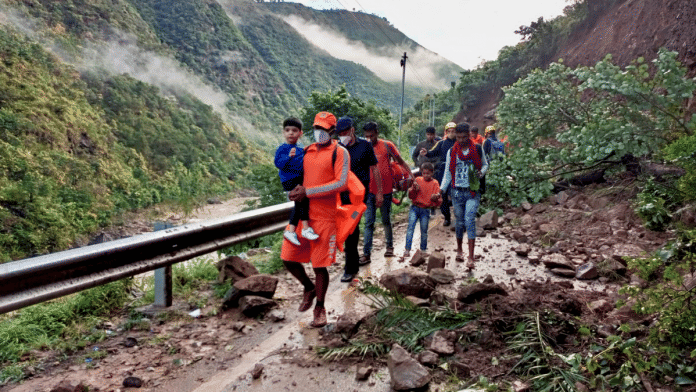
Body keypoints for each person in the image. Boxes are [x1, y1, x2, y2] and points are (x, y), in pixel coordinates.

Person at [280, 111, 350, 328]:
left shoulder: (340, 153)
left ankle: (320, 307)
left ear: (332, 130)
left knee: (320, 266)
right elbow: (297, 175)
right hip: (303, 215)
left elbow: (341, 184)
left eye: (323, 129)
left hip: (325, 218)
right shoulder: (307, 151)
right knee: (288, 258)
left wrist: (308, 192)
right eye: (316, 128)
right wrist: (294, 190)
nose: (318, 132)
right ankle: (308, 287)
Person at [335, 116, 381, 283]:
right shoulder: (337, 148)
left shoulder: (365, 146)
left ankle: (349, 269)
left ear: (352, 130)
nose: (342, 135)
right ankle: (352, 265)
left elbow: (374, 169)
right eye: (339, 133)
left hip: (361, 196)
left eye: (345, 132)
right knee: (348, 230)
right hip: (342, 196)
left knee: (351, 230)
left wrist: (379, 192)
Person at [361, 121, 413, 262]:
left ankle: (389, 247)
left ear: (377, 133)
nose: (369, 139)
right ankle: (366, 254)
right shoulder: (363, 147)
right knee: (369, 223)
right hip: (369, 191)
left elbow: (400, 161)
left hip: (386, 190)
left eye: (371, 136)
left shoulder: (387, 146)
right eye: (366, 136)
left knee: (385, 220)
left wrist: (411, 174)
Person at [439, 122, 488, 269]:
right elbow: (448, 173)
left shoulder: (478, 149)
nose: (461, 140)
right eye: (458, 137)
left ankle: (471, 257)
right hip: (456, 192)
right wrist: (441, 190)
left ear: (469, 135)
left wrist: (481, 173)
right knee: (459, 222)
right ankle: (460, 250)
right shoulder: (451, 152)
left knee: (469, 220)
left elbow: (485, 164)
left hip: (473, 191)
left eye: (464, 137)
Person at [274, 117, 319, 246]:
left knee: (301, 203)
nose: (290, 133)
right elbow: (278, 164)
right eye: (287, 130)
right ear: (283, 132)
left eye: (294, 130)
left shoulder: (301, 148)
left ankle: (295, 230)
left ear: (300, 133)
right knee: (302, 201)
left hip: (300, 179)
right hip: (289, 180)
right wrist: (289, 157)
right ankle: (303, 229)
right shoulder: (282, 148)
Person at [419, 121, 457, 226]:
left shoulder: (459, 143)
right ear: (446, 132)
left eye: (453, 131)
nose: (451, 133)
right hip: (443, 171)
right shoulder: (441, 143)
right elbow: (432, 152)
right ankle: (447, 218)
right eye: (449, 131)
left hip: (456, 171)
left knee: (455, 193)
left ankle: (458, 216)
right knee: (443, 194)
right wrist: (426, 153)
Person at [401, 162, 442, 259]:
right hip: (414, 207)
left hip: (425, 209)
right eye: (424, 173)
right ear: (421, 173)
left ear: (432, 173)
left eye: (428, 173)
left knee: (424, 230)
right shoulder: (418, 180)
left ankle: (423, 250)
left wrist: (435, 197)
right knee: (410, 228)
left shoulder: (435, 183)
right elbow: (411, 195)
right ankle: (407, 249)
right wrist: (413, 189)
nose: (426, 175)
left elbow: (439, 200)